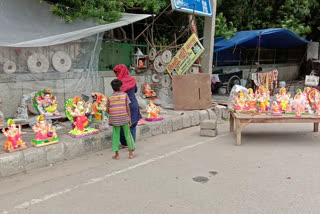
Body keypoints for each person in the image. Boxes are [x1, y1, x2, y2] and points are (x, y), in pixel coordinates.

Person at [113, 64, 142, 149]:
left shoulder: (117, 82)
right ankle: (131, 144)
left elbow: (116, 94)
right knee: (132, 125)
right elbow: (135, 90)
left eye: (116, 72)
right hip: (133, 104)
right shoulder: (132, 80)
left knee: (122, 125)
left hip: (123, 106)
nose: (115, 75)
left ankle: (125, 143)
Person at [107, 79, 135, 160]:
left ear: (112, 88)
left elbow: (107, 110)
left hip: (115, 120)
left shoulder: (110, 98)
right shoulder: (125, 95)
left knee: (116, 136)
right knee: (128, 135)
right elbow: (128, 108)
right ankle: (131, 154)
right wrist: (129, 119)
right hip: (124, 118)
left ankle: (117, 155)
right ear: (121, 87)